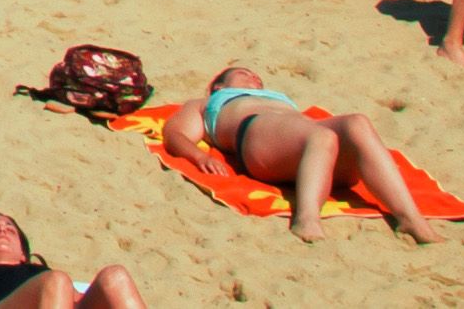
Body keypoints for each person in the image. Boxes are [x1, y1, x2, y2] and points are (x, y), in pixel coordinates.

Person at [161, 66, 442, 243]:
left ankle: (409, 218)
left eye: (256, 75)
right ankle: (306, 219)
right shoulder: (210, 102)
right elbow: (175, 134)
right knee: (322, 135)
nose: (253, 76)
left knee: (357, 122)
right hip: (259, 141)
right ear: (219, 86)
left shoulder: (278, 98)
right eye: (243, 72)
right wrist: (200, 157)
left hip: (306, 148)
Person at [0, 211, 150, 309]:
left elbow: (77, 299)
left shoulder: (40, 272)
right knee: (56, 281)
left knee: (115, 276)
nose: (2, 231)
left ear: (23, 253)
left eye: (9, 229)